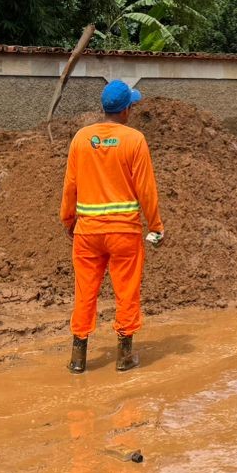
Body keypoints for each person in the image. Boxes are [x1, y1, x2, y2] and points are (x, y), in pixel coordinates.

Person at [59, 80, 164, 374]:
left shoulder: (81, 139)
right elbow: (146, 189)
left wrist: (68, 220)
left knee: (85, 292)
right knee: (126, 292)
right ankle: (124, 356)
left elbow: (70, 186)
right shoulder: (135, 140)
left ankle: (79, 357)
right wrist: (155, 226)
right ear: (127, 110)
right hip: (124, 234)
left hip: (87, 233)